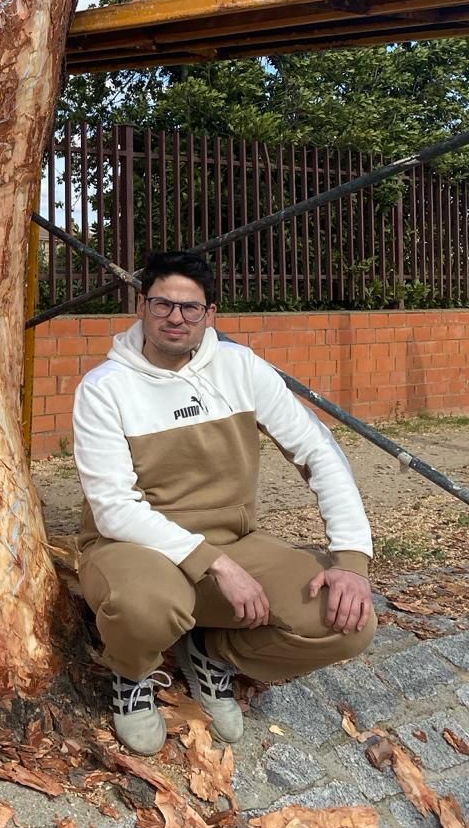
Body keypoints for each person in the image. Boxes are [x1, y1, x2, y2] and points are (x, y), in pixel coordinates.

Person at [71, 249, 375, 754]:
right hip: (133, 545)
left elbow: (320, 452)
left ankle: (212, 652)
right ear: (142, 307)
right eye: (162, 304)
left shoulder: (239, 368)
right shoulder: (105, 389)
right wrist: (216, 564)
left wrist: (351, 558)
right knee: (146, 608)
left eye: (191, 308)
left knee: (348, 623)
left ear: (210, 315)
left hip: (233, 539)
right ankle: (131, 672)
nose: (176, 318)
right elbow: (113, 508)